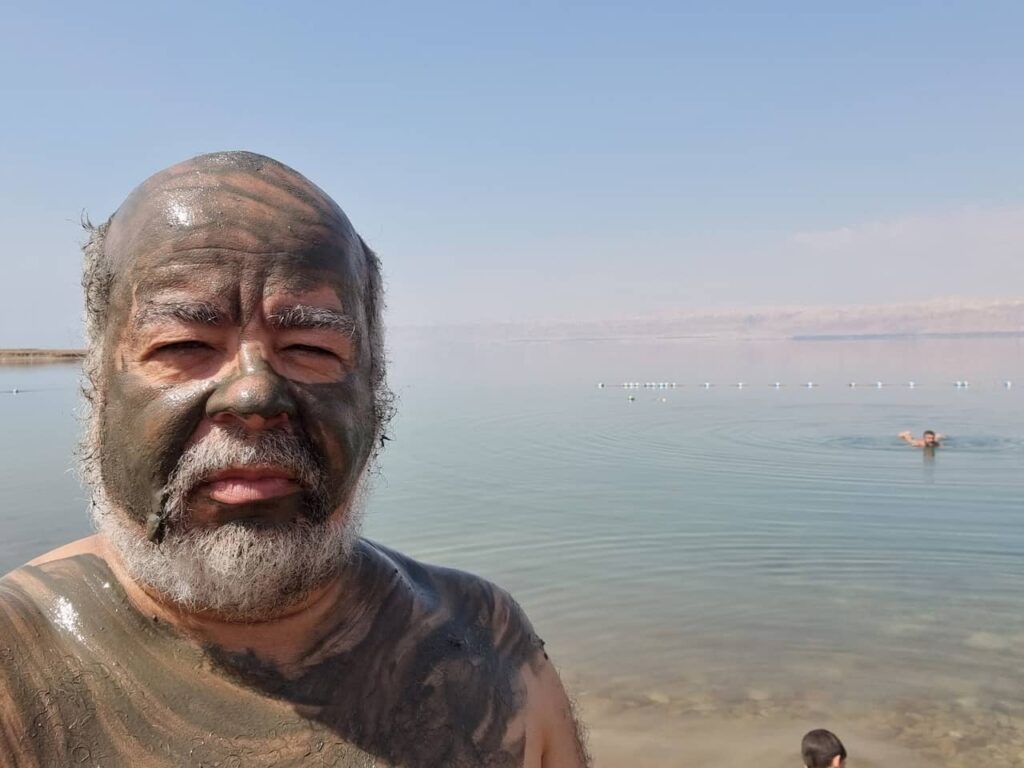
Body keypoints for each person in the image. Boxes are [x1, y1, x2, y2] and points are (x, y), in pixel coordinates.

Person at [0, 152, 589, 767]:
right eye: (185, 345)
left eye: (309, 347)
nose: (254, 396)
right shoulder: (15, 669)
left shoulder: (489, 645)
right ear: (99, 391)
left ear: (375, 391)